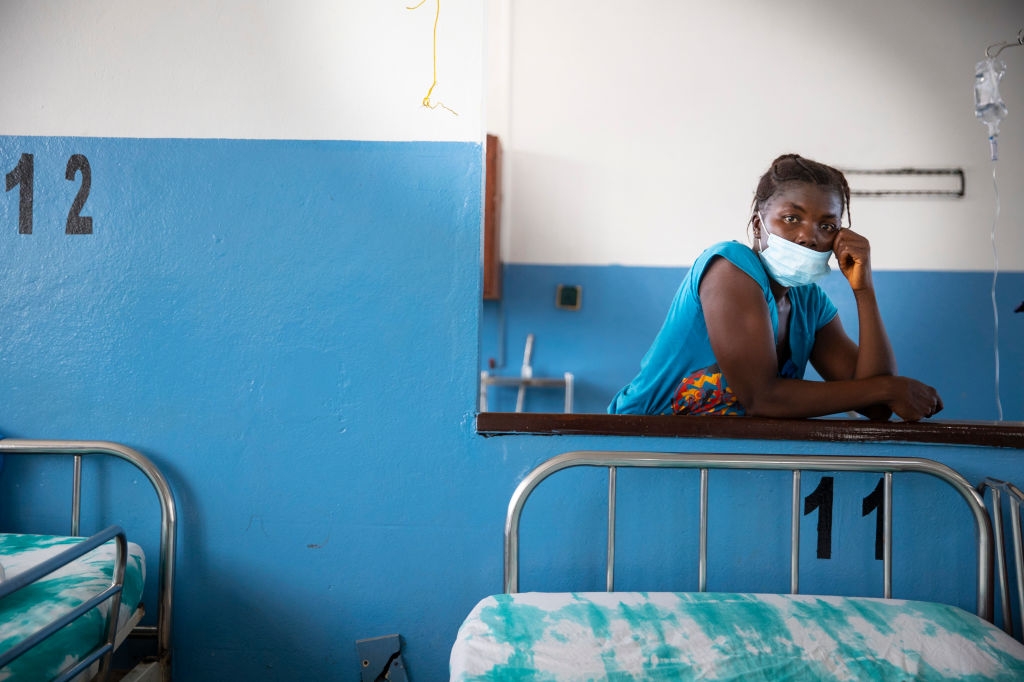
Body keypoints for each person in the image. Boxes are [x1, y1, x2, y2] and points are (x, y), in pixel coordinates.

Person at [608, 153, 942, 421]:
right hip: (635, 447)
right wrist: (889, 388)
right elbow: (761, 397)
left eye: (827, 226)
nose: (809, 236)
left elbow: (876, 406)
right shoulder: (729, 267)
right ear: (758, 225)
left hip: (713, 461)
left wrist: (863, 289)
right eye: (792, 218)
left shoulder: (810, 302)